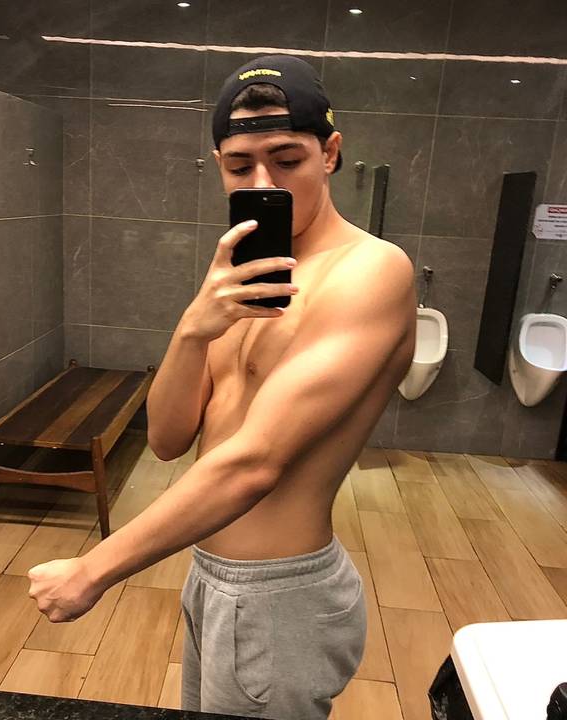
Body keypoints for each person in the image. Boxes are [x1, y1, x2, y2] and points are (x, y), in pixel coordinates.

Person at [27, 54, 416, 719]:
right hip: (212, 577)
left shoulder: (371, 271)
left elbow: (256, 462)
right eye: (240, 167)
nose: (262, 182)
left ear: (330, 153)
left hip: (279, 594)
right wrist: (193, 328)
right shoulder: (243, 277)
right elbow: (169, 439)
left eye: (286, 160)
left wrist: (94, 569)